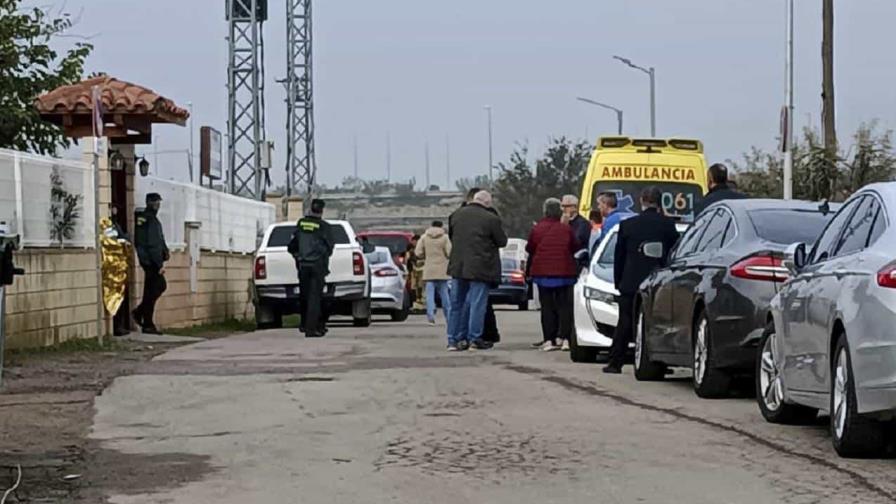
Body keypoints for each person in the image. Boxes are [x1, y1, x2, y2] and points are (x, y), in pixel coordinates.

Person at [604, 187, 680, 374]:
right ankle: (658, 363)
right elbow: (673, 255)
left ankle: (615, 363)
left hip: (630, 281)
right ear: (660, 202)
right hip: (658, 282)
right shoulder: (668, 226)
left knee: (624, 323)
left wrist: (619, 283)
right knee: (656, 323)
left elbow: (619, 257)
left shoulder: (628, 225)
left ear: (642, 201)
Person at [446, 190, 508, 351]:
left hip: (458, 265)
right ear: (487, 203)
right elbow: (502, 241)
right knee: (477, 304)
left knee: (456, 304)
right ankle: (474, 338)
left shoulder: (455, 215)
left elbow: (452, 237)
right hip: (481, 267)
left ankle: (453, 340)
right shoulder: (491, 219)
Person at [526, 198, 580, 352]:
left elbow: (530, 248)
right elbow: (575, 246)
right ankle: (564, 338)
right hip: (565, 273)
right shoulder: (566, 229)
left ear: (545, 211)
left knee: (547, 307)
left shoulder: (537, 229)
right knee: (565, 307)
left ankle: (549, 340)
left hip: (543, 273)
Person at [288, 198, 335, 338]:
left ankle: (305, 325)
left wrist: (298, 256)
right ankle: (312, 328)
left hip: (303, 265)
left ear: (310, 209)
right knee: (315, 297)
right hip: (317, 265)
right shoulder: (324, 226)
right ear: (321, 211)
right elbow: (330, 247)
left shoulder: (301, 224)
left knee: (305, 296)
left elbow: (292, 245)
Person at [133, 193, 169, 335]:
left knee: (152, 290)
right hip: (151, 262)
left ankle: (144, 317)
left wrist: (165, 251)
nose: (158, 205)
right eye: (155, 202)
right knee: (158, 287)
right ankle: (143, 317)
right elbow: (152, 244)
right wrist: (158, 263)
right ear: (149, 203)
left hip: (151, 260)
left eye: (158, 203)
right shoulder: (148, 219)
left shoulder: (152, 219)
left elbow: (159, 240)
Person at [415, 220, 452, 325]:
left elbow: (418, 252)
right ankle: (448, 316)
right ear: (441, 226)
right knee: (444, 294)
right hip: (442, 269)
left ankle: (430, 315)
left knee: (429, 294)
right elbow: (449, 252)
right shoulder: (445, 238)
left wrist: (425, 257)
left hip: (429, 269)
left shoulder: (424, 237)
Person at [591, 192, 635, 256]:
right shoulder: (630, 216)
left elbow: (605, 245)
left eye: (599, 204)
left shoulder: (610, 222)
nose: (598, 207)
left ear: (605, 205)